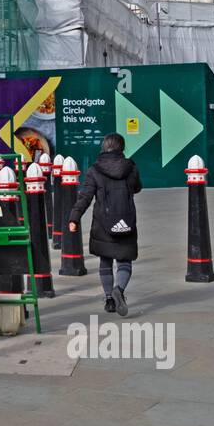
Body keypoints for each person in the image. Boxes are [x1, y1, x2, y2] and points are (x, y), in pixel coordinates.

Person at [68, 133, 142, 317]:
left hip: (103, 222)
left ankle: (109, 299)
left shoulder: (94, 170)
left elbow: (85, 197)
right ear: (121, 148)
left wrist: (74, 218)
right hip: (126, 220)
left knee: (105, 261)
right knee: (124, 260)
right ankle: (120, 290)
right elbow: (137, 187)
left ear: (103, 147)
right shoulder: (130, 167)